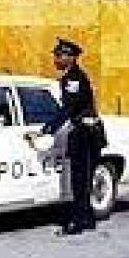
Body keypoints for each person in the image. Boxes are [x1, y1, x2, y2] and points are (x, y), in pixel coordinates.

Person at [30, 38, 106, 235]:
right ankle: (87, 218)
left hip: (85, 133)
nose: (55, 59)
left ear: (70, 58)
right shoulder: (73, 77)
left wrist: (47, 129)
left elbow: (68, 109)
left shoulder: (73, 79)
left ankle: (78, 221)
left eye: (59, 56)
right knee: (83, 177)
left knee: (79, 179)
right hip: (85, 131)